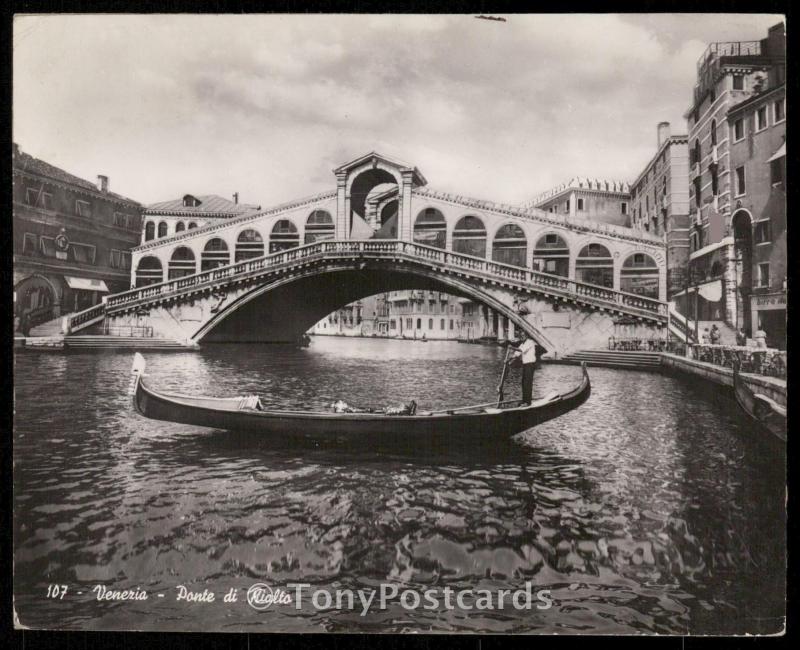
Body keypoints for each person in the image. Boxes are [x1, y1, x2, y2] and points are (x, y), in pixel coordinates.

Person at [507, 332, 537, 405]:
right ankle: (524, 400)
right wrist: (508, 360)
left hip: (530, 364)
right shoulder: (522, 344)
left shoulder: (530, 342)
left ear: (526, 336)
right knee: (523, 383)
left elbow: (521, 350)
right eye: (521, 336)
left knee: (527, 383)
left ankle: (528, 402)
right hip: (525, 365)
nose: (522, 337)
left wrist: (512, 347)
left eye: (523, 336)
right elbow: (517, 354)